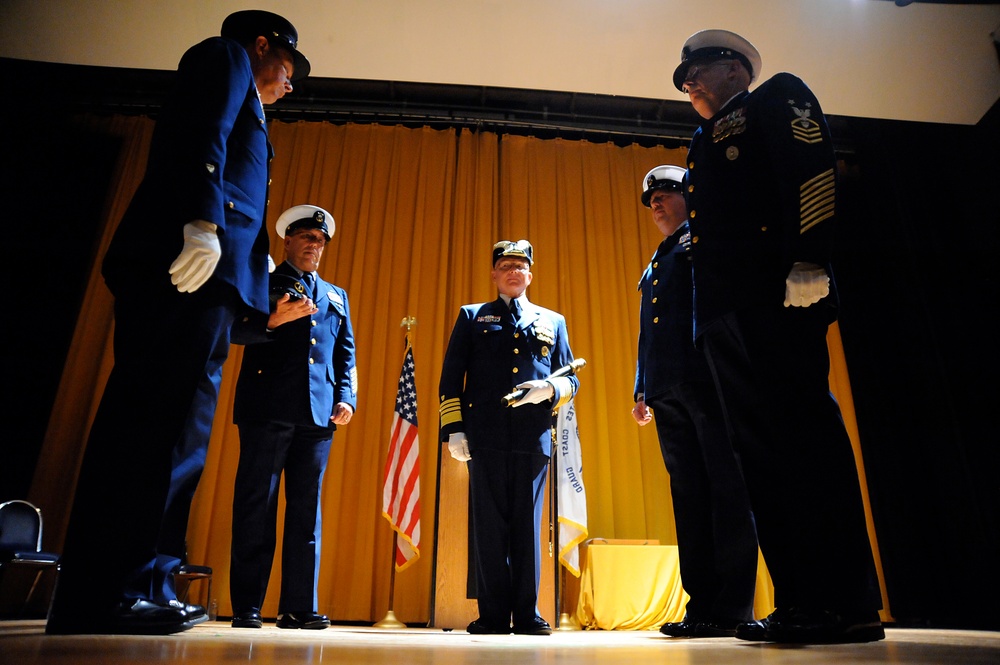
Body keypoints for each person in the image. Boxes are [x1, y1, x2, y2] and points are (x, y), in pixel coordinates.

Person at [45, 10, 310, 635]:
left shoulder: (250, 91)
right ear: (265, 44)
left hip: (208, 283)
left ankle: (135, 582)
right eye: (290, 69)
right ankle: (121, 587)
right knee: (158, 429)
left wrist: (250, 286)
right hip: (189, 268)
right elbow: (199, 136)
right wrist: (202, 221)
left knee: (169, 431)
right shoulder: (226, 58)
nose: (291, 84)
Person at [672, 29, 884, 643]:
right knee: (758, 459)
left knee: (805, 441)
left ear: (736, 67)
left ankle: (845, 603)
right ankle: (797, 599)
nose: (690, 84)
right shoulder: (700, 140)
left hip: (777, 294)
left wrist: (811, 257)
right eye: (684, 80)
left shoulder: (776, 97)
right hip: (724, 314)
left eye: (699, 70)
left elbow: (811, 169)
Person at [632, 164, 759, 638]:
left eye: (664, 194)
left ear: (688, 195)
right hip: (667, 389)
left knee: (727, 490)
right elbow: (649, 332)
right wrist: (642, 387)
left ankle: (732, 608)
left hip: (708, 380)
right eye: (652, 201)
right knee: (688, 498)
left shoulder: (700, 240)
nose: (657, 205)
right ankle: (702, 605)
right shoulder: (657, 260)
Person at [439, 240, 579, 636]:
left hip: (532, 438)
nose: (514, 271)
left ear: (530, 274)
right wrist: (454, 430)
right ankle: (493, 615)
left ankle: (528, 612)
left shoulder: (553, 320)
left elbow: (571, 377)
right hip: (483, 436)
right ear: (494, 273)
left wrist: (550, 390)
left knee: (528, 528)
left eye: (521, 266)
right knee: (488, 527)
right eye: (506, 265)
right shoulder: (472, 316)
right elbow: (451, 378)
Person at [228, 204, 357, 631]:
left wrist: (347, 399)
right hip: (267, 410)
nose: (313, 245)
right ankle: (247, 604)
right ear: (288, 240)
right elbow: (234, 330)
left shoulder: (336, 295)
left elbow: (345, 354)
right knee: (256, 506)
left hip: (318, 417)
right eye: (306, 237)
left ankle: (298, 606)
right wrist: (272, 320)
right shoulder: (263, 282)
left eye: (319, 240)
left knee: (306, 512)